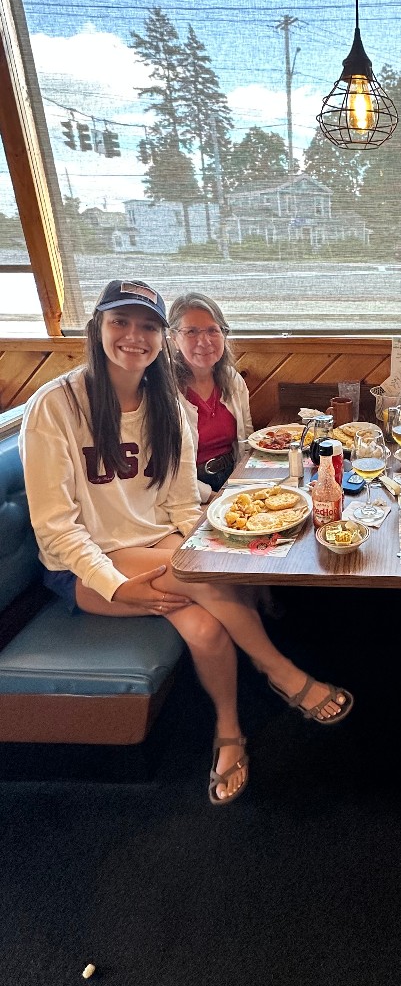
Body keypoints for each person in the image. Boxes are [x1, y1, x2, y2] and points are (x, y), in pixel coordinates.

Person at [20, 279, 354, 805]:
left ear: (159, 337)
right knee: (211, 577)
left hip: (155, 548)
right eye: (120, 322)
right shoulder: (56, 406)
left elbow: (179, 505)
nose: (135, 336)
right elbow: (56, 531)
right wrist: (117, 585)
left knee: (204, 625)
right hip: (83, 565)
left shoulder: (171, 408)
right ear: (98, 328)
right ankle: (282, 673)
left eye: (147, 325)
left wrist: (196, 540)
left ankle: (228, 732)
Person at [168, 293, 253, 503]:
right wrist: (214, 498)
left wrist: (244, 485)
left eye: (212, 330)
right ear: (174, 338)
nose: (204, 341)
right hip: (185, 493)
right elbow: (167, 470)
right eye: (192, 332)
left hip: (231, 478)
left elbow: (247, 439)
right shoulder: (165, 393)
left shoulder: (233, 380)